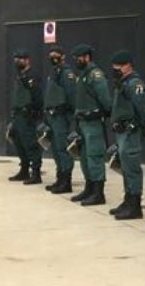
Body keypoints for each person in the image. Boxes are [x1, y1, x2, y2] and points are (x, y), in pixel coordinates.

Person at [108, 51, 145, 220]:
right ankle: (128, 199)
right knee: (125, 167)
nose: (115, 70)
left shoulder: (134, 83)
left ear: (127, 66)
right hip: (122, 131)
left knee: (131, 168)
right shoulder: (122, 82)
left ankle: (135, 204)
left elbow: (143, 109)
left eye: (118, 67)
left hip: (131, 131)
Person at [69, 44, 111, 205]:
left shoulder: (95, 75)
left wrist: (103, 112)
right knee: (85, 157)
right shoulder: (82, 74)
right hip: (82, 122)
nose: (76, 61)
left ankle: (98, 192)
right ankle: (89, 187)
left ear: (87, 57)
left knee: (94, 157)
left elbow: (105, 100)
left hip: (93, 122)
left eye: (79, 57)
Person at [43, 46, 77, 194]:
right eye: (51, 55)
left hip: (62, 116)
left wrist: (70, 113)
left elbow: (72, 95)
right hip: (52, 116)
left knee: (63, 149)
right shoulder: (54, 73)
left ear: (63, 56)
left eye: (56, 55)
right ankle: (60, 178)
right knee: (56, 149)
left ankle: (66, 181)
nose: (53, 58)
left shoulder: (66, 73)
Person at [6, 49, 43, 185]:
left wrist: (34, 111)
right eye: (16, 59)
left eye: (20, 59)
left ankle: (36, 173)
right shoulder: (20, 75)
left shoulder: (32, 75)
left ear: (27, 60)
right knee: (18, 142)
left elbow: (37, 96)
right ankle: (24, 169)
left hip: (28, 114)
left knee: (31, 143)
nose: (17, 62)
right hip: (18, 114)